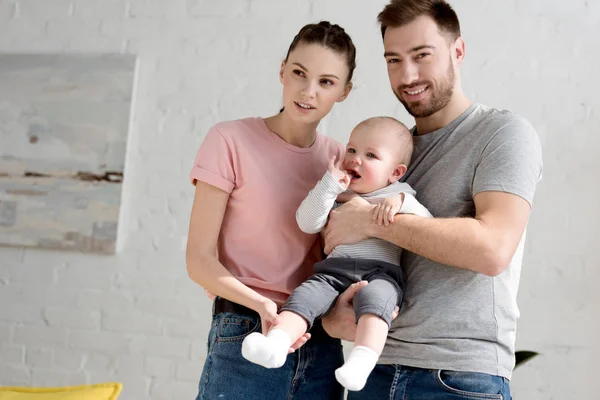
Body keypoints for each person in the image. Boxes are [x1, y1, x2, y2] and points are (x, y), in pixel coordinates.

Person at [319, 1, 543, 399]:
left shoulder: (502, 133)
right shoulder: (384, 155)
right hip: (372, 372)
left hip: (455, 377)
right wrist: (332, 318)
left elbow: (492, 249)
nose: (407, 76)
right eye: (393, 60)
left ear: (457, 51)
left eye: (421, 55)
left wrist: (371, 220)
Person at [186, 21, 356, 400]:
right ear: (282, 71)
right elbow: (199, 260)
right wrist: (261, 305)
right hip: (246, 330)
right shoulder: (229, 140)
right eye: (299, 73)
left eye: (326, 82)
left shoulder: (339, 160)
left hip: (319, 337)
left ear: (344, 92)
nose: (308, 92)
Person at [241, 117, 432, 392]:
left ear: (395, 172)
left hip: (380, 273)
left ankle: (362, 361)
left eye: (371, 155)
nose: (356, 159)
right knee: (305, 295)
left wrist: (401, 202)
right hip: (333, 272)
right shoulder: (336, 192)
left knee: (376, 303)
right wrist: (328, 186)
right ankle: (277, 343)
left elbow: (425, 225)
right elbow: (307, 222)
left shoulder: (400, 195)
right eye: (352, 150)